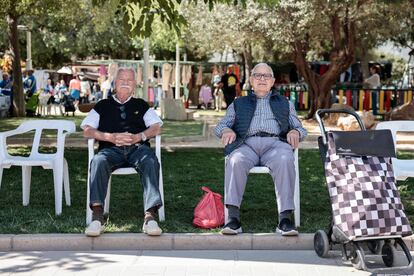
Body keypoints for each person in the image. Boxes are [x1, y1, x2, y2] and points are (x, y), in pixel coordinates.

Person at [215, 63, 307, 236]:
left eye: (266, 76)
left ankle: (285, 219)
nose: (262, 79)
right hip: (246, 144)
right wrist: (226, 130)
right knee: (235, 160)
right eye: (258, 75)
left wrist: (295, 131)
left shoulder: (286, 103)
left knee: (286, 159)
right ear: (251, 80)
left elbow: (301, 129)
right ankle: (233, 219)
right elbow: (220, 126)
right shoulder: (238, 103)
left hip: (275, 144)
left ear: (273, 81)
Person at [81, 67, 163, 237]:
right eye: (121, 79)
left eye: (129, 80)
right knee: (98, 161)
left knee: (150, 160)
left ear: (135, 85)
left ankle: (150, 217)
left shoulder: (141, 105)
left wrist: (139, 136)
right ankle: (97, 217)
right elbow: (87, 131)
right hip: (110, 150)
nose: (125, 82)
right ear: (114, 83)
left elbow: (156, 128)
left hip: (138, 149)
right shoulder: (102, 105)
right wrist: (110, 137)